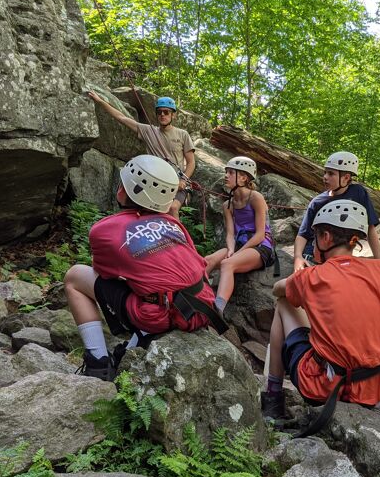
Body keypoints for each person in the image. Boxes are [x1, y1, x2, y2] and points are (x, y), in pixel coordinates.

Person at [260, 199, 380, 439]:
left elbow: (277, 288)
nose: (314, 244)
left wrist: (299, 283)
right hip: (367, 393)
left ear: (326, 238)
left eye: (316, 237)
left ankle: (273, 399)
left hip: (319, 386)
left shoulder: (311, 276)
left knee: (284, 304)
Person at [63, 154, 222, 380]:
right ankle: (137, 341)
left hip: (158, 315)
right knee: (150, 282)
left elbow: (104, 275)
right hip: (202, 307)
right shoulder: (173, 222)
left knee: (75, 277)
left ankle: (98, 364)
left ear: (124, 191)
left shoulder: (104, 230)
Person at [88, 92, 195, 219]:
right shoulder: (148, 131)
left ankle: (177, 238)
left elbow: (191, 162)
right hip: (156, 182)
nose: (162, 115)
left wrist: (183, 180)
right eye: (159, 112)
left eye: (166, 112)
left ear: (173, 115)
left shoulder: (182, 135)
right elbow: (121, 118)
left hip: (176, 183)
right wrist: (100, 101)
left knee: (172, 209)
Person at [204, 156, 275, 314]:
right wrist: (230, 250)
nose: (226, 176)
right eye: (226, 172)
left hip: (261, 246)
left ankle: (218, 309)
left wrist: (237, 254)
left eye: (230, 172)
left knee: (227, 264)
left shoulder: (256, 198)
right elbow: (230, 233)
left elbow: (260, 234)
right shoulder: (227, 204)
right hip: (239, 244)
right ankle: (198, 295)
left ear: (243, 177)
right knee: (206, 261)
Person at [293, 151, 380, 272]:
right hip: (317, 251)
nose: (325, 177)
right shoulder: (317, 202)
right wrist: (298, 257)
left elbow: (370, 227)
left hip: (339, 251)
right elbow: (303, 234)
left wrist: (379, 261)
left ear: (346, 178)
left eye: (331, 174)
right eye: (325, 172)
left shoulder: (358, 193)